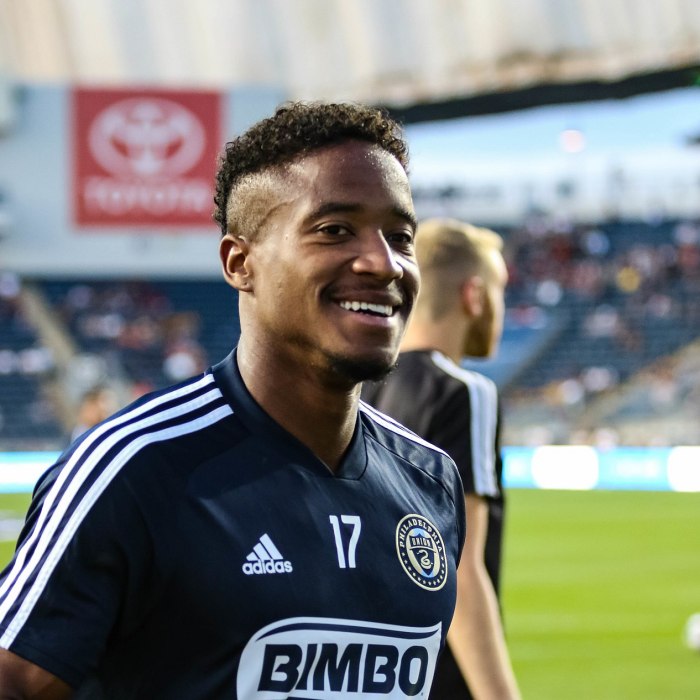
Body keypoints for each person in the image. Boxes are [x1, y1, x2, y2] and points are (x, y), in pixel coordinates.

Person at [0, 103, 466, 699]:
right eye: (334, 230)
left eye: (400, 237)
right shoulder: (134, 468)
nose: (383, 262)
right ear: (239, 263)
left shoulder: (431, 480)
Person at [362, 218, 521, 699]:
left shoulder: (360, 388)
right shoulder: (463, 392)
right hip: (439, 676)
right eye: (500, 290)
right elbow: (460, 570)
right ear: (475, 295)